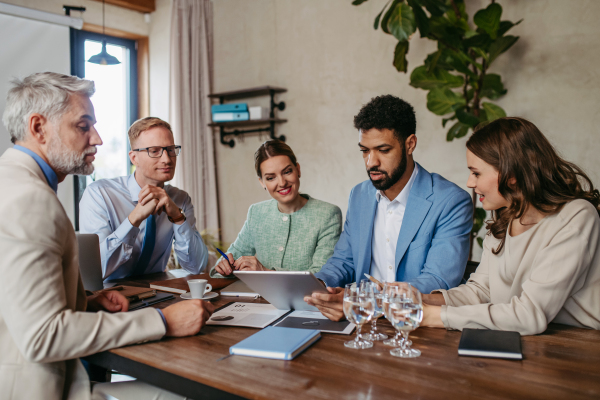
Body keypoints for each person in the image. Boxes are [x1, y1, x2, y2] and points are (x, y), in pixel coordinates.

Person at [0, 72, 214, 400]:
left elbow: (17, 298)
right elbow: (43, 335)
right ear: (38, 128)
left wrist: (83, 303)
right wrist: (162, 321)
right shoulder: (31, 198)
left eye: (171, 150)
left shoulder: (14, 183)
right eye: (83, 126)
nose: (97, 138)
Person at [420, 117, 600, 335]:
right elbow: (481, 291)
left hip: (579, 345)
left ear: (511, 175)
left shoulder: (576, 217)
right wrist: (421, 300)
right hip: (519, 337)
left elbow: (529, 315)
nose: (470, 182)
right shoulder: (505, 218)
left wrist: (432, 316)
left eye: (476, 173)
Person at [304, 95, 473, 321]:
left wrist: (363, 299)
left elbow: (438, 281)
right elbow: (344, 261)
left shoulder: (451, 201)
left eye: (383, 150)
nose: (370, 162)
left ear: (410, 144)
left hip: (417, 325)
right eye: (365, 150)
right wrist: (321, 288)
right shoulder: (359, 195)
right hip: (362, 324)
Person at [79, 117, 209, 281]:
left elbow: (196, 267)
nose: (167, 159)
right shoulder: (99, 194)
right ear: (134, 158)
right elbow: (95, 270)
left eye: (170, 150)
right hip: (109, 296)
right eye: (154, 151)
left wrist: (177, 218)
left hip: (160, 293)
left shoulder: (179, 199)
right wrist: (134, 219)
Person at [212, 140, 342, 276]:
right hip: (258, 297)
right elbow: (222, 267)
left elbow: (322, 276)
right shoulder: (256, 213)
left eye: (287, 172)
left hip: (304, 297)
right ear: (262, 182)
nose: (282, 183)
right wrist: (224, 268)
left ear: (298, 169)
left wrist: (265, 272)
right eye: (270, 178)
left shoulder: (328, 214)